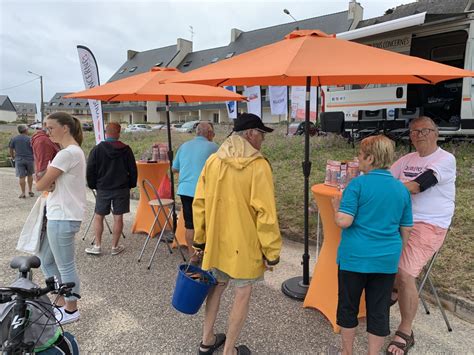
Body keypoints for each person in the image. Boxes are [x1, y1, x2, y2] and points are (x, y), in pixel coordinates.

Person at [193, 113, 282, 355]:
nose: (262, 139)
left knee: (216, 286)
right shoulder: (258, 165)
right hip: (245, 244)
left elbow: (198, 202)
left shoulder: (214, 161)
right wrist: (271, 251)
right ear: (251, 134)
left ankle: (207, 339)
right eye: (261, 134)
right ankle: (229, 350)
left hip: (217, 241)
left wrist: (200, 238)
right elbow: (266, 213)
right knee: (242, 293)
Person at [331, 135, 413, 355]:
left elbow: (344, 222)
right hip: (386, 260)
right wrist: (396, 253)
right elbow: (406, 229)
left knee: (348, 306)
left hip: (354, 258)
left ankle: (347, 352)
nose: (358, 158)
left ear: (370, 157)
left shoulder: (357, 184)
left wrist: (336, 207)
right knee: (378, 310)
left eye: (360, 154)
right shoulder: (401, 189)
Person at [387, 116, 456, 355]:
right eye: (414, 132)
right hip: (401, 221)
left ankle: (406, 330)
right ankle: (392, 289)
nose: (419, 135)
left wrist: (383, 188)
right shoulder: (406, 159)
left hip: (429, 225)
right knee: (373, 251)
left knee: (405, 273)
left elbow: (419, 185)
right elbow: (384, 176)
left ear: (436, 133)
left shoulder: (445, 159)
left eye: (425, 130)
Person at [35, 112, 87, 324]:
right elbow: (48, 183)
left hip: (63, 216)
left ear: (65, 128)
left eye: (51, 128)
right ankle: (60, 303)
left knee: (65, 265)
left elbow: (40, 184)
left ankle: (71, 309)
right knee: (46, 259)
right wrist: (48, 181)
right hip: (60, 214)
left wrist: (45, 180)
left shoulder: (67, 154)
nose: (48, 132)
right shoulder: (72, 152)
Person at [85, 122, 137, 256]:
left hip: (103, 187)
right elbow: (133, 169)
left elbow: (90, 169)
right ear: (119, 133)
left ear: (106, 133)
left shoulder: (97, 149)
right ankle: (115, 247)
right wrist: (131, 184)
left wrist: (92, 185)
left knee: (99, 216)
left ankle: (97, 246)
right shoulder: (126, 149)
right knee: (118, 217)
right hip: (121, 188)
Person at [172, 121, 218, 264]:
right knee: (207, 223)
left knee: (190, 224)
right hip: (205, 191)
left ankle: (193, 256)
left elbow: (174, 168)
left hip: (185, 190)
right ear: (210, 134)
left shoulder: (184, 146)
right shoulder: (214, 147)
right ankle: (207, 254)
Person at [9, 124, 35, 198]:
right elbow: (34, 149)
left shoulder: (14, 138)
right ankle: (30, 190)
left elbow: (11, 149)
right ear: (26, 130)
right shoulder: (30, 139)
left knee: (21, 176)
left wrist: (13, 157)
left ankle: (23, 193)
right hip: (29, 159)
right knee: (30, 175)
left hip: (19, 159)